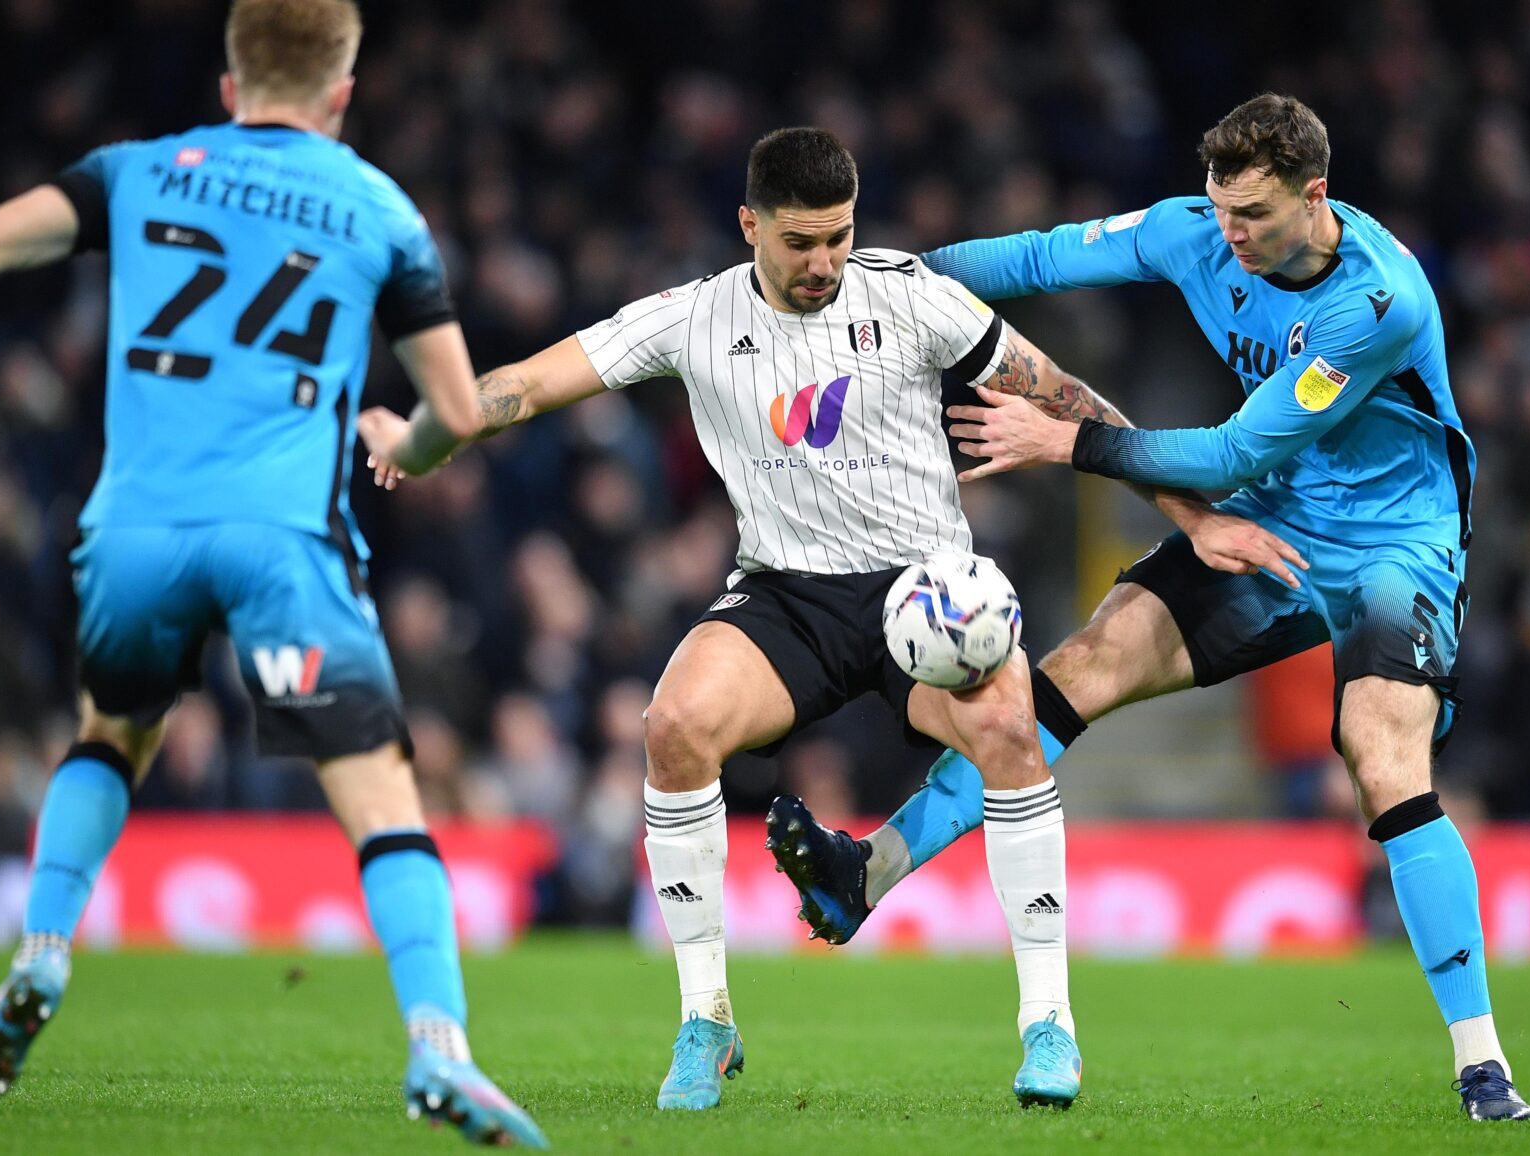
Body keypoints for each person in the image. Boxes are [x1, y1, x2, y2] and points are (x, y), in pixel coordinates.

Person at [364, 126, 1274, 1111]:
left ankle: (1048, 1025)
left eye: (838, 237)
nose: (823, 263)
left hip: (923, 592)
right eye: (799, 242)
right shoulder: (693, 316)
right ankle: (706, 1019)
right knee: (673, 727)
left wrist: (1192, 515)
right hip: (787, 594)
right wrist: (428, 434)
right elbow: (530, 383)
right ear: (749, 225)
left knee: (1013, 728)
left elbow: (1062, 396)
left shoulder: (911, 294)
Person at [767, 93, 1530, 1122]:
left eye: (1253, 215)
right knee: (1079, 667)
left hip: (1396, 544)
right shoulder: (1192, 231)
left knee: (1379, 753)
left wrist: (1067, 441)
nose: (1230, 236)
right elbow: (1037, 258)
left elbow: (1232, 454)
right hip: (1276, 522)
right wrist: (879, 283)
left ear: (1315, 195)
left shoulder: (1375, 301)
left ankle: (1482, 1065)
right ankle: (864, 873)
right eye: (1221, 210)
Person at [0, 1, 546, 1144]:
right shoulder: (376, 204)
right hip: (282, 538)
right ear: (342, 95)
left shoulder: (136, 170)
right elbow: (460, 405)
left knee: (109, 734)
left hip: (134, 532)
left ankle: (38, 953)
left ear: (231, 86)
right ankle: (439, 1046)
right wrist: (408, 443)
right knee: (380, 797)